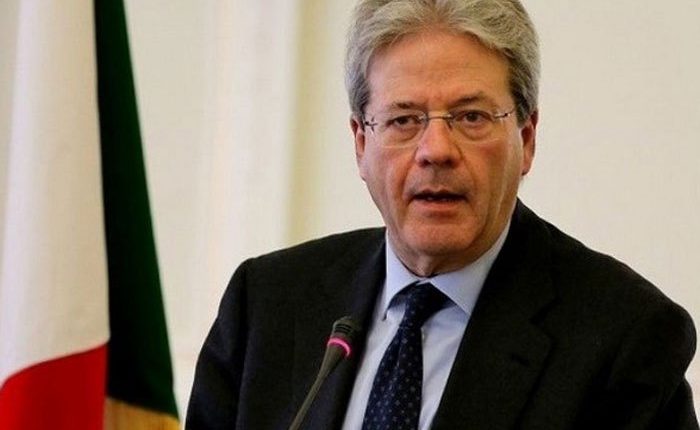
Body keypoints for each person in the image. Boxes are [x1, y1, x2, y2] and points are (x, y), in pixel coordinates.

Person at [186, 0, 698, 428]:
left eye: (471, 117)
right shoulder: (266, 305)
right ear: (361, 143)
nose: (436, 150)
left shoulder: (625, 339)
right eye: (404, 119)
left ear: (526, 138)